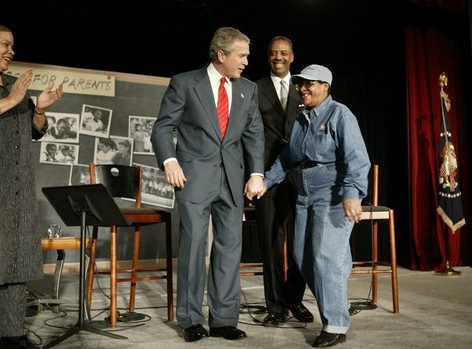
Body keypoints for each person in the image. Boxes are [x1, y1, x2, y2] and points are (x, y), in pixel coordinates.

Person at [151, 26, 265, 343]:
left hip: (232, 180)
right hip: (194, 178)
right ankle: (189, 319)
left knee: (229, 251)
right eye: (241, 55)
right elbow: (162, 129)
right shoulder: (186, 83)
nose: (246, 61)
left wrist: (257, 173)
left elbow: (254, 135)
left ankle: (224, 319)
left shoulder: (248, 89)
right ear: (221, 54)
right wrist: (169, 161)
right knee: (193, 248)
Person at [0, 21, 63, 349]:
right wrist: (12, 99)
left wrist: (40, 110)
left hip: (16, 192)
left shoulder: (14, 85)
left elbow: (33, 130)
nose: (11, 51)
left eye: (12, 45)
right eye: (5, 44)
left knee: (15, 267)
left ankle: (13, 337)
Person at [256, 64, 370, 347]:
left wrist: (353, 193)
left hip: (333, 194)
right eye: (300, 84)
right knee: (303, 258)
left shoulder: (340, 114)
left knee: (326, 258)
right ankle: (339, 301)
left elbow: (357, 157)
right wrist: (266, 181)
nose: (303, 88)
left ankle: (335, 324)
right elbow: (286, 158)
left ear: (326, 87)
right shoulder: (301, 119)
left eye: (310, 83)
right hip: (304, 194)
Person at [254, 36, 313, 327]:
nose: (278, 57)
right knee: (271, 244)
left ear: (292, 57)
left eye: (283, 53)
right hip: (266, 175)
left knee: (301, 243)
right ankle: (276, 307)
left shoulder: (304, 88)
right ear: (268, 57)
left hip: (300, 175)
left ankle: (293, 297)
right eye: (273, 53)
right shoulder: (254, 89)